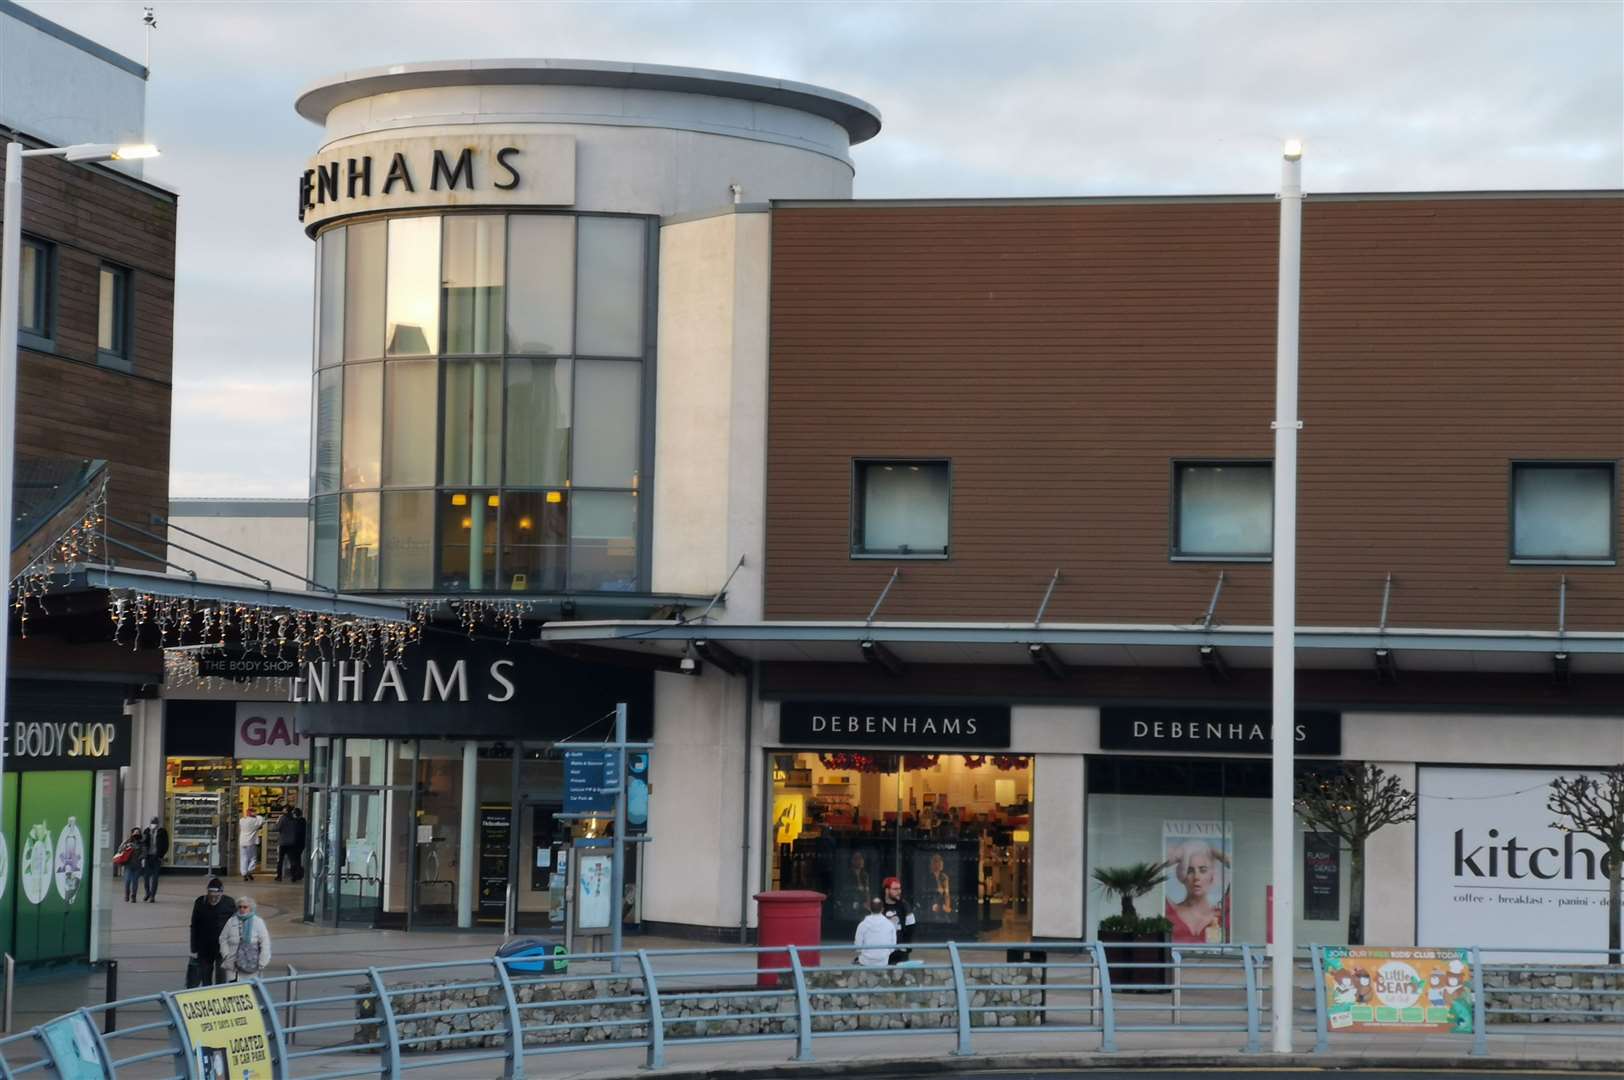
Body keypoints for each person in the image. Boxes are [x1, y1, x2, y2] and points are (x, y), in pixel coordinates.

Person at [1164, 839, 1230, 944]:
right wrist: (1177, 854)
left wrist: (1213, 851)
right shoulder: (1168, 910)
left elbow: (1242, 869)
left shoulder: (1223, 914)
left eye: (1203, 870)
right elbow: (1146, 874)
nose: (1196, 877)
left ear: (1212, 876)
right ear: (1182, 876)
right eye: (1190, 871)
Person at [189, 878, 236, 986]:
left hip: (223, 947)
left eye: (216, 895)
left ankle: (219, 997)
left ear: (221, 893)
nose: (214, 898)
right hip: (204, 947)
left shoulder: (229, 903)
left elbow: (236, 925)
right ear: (207, 892)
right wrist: (193, 948)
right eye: (211, 894)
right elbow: (194, 925)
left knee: (221, 978)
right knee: (205, 979)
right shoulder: (200, 902)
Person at [218, 895, 271, 982]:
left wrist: (262, 962)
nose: (242, 909)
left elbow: (265, 943)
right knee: (233, 990)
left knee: (249, 990)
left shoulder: (258, 921)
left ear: (251, 908)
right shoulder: (231, 921)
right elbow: (222, 938)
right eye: (240, 907)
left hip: (251, 965)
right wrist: (225, 954)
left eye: (245, 907)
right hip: (232, 964)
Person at [880, 876, 916, 964]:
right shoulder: (880, 906)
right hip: (882, 951)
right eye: (895, 889)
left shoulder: (905, 906)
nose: (898, 892)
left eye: (899, 889)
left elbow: (911, 928)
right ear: (887, 890)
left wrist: (906, 947)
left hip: (900, 952)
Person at [854, 898, 896, 967]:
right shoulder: (890, 924)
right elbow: (893, 946)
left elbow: (857, 947)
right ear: (882, 909)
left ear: (870, 908)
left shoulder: (862, 924)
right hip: (883, 962)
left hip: (865, 961)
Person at [140, 816, 169, 902]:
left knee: (155, 877)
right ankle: (147, 893)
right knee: (146, 877)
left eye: (155, 823)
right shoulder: (147, 831)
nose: (154, 825)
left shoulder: (162, 832)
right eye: (152, 823)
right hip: (148, 856)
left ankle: (152, 896)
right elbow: (143, 843)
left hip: (157, 857)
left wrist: (161, 855)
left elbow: (166, 844)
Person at [275, 807, 306, 882]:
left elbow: (278, 828)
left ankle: (279, 876)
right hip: (291, 842)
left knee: (280, 860)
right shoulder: (294, 820)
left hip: (283, 842)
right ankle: (293, 876)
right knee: (292, 860)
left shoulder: (282, 818)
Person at [238, 809, 266, 882]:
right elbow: (262, 820)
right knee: (253, 858)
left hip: (242, 842)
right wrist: (256, 816)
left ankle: (244, 873)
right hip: (251, 842)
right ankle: (249, 871)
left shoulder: (241, 820)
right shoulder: (255, 821)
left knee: (243, 858)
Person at [116, 828, 142, 902]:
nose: (136, 835)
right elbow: (120, 850)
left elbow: (144, 851)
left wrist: (141, 857)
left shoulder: (141, 843)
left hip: (137, 866)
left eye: (138, 833)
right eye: (135, 833)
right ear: (132, 834)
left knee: (135, 881)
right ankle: (127, 895)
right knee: (127, 881)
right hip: (128, 865)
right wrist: (125, 846)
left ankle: (133, 896)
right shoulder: (127, 842)